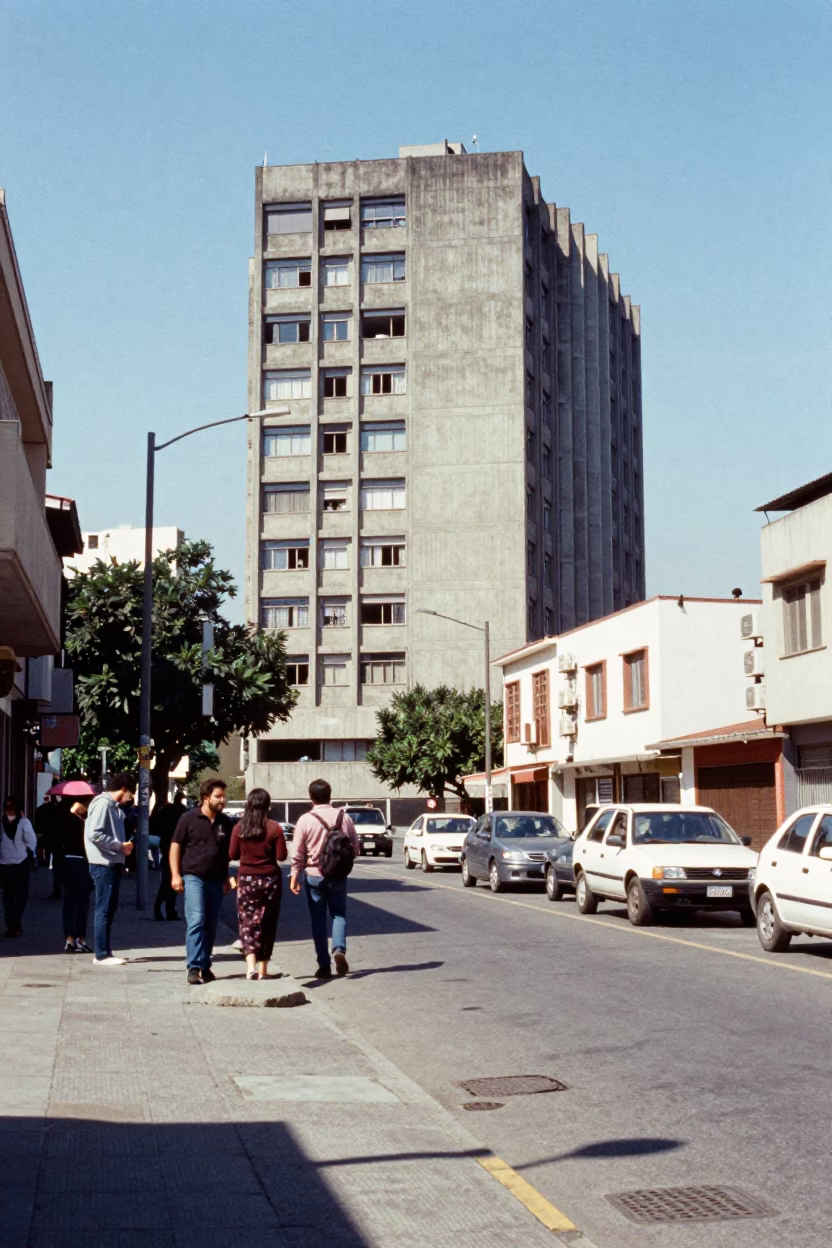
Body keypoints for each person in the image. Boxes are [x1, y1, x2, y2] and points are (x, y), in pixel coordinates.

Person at [289, 778, 360, 978]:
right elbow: (356, 848)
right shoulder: (344, 818)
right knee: (339, 915)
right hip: (338, 875)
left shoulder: (305, 819)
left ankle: (324, 965)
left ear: (311, 797)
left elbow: (297, 853)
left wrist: (294, 875)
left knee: (318, 920)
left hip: (313, 875)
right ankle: (339, 949)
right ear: (330, 795)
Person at [170, 779, 233, 986]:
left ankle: (205, 965)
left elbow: (227, 854)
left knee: (211, 925)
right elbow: (175, 846)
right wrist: (175, 875)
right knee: (196, 919)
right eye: (218, 796)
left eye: (224, 796)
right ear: (206, 797)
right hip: (193, 876)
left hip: (216, 880)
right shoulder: (188, 818)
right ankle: (194, 967)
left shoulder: (226, 822)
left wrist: (227, 877)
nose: (223, 799)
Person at [229, 788, 287, 980]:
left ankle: (250, 967)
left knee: (248, 922)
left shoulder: (239, 827)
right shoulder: (275, 828)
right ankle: (263, 970)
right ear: (267, 806)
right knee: (267, 923)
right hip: (271, 879)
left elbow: (232, 855)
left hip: (246, 879)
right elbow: (281, 856)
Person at [84, 772, 137, 966]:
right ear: (123, 789)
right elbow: (94, 834)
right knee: (104, 908)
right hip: (103, 863)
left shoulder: (113, 806)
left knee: (109, 907)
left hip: (111, 862)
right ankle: (102, 954)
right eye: (131, 793)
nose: (131, 798)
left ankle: (104, 950)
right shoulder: (103, 803)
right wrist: (119, 846)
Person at [57, 800, 94, 953]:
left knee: (68, 902)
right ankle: (80, 938)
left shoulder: (61, 821)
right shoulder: (82, 824)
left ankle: (69, 938)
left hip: (65, 862)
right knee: (82, 902)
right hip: (81, 863)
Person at [0, 797, 37, 937]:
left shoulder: (2, 821)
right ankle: (15, 921)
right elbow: (32, 841)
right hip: (20, 864)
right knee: (20, 895)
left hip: (5, 865)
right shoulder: (23, 822)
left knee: (8, 896)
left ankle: (12, 925)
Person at [153, 792, 185, 921]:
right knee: (169, 882)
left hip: (167, 848)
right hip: (175, 850)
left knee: (168, 881)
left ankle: (167, 910)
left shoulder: (167, 810)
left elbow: (155, 825)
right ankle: (166, 909)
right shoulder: (180, 812)